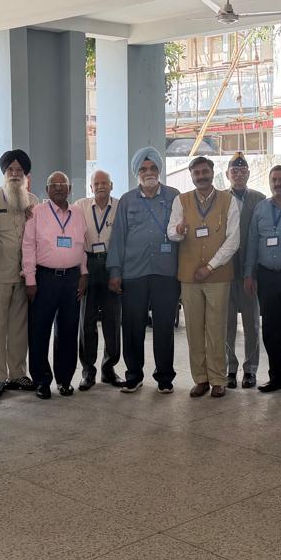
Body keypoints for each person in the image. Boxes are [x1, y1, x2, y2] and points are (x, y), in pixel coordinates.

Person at [106, 147, 180, 394]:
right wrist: (115, 272)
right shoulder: (127, 200)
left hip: (166, 273)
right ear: (136, 173)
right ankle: (134, 375)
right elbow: (118, 237)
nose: (149, 172)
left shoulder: (174, 196)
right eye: (143, 169)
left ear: (159, 171)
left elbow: (182, 234)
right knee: (132, 326)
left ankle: (165, 377)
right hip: (133, 272)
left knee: (164, 326)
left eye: (153, 168)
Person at [169, 156, 241, 397]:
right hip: (189, 276)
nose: (201, 176)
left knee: (217, 328)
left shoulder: (228, 201)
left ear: (212, 172)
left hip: (218, 276)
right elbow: (171, 232)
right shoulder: (181, 200)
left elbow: (233, 240)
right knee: (194, 329)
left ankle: (218, 379)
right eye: (196, 173)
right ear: (191, 176)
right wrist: (178, 231)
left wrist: (210, 267)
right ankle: (200, 379)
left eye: (204, 172)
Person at [23, 172, 88, 398]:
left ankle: (64, 379)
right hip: (44, 278)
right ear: (47, 189)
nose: (59, 188)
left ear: (69, 189)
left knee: (69, 330)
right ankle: (41, 380)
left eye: (63, 184)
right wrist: (30, 280)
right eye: (54, 184)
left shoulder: (78, 213)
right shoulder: (36, 212)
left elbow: (82, 246)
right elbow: (28, 246)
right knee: (39, 331)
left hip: (72, 279)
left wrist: (84, 272)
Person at [243, 165, 281, 395]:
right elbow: (252, 242)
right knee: (270, 330)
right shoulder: (261, 208)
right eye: (274, 180)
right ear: (270, 183)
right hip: (266, 276)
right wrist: (249, 274)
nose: (278, 183)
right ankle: (278, 377)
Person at [0, 149, 38, 393]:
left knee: (19, 326)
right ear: (4, 173)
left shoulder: (33, 200)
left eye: (19, 170)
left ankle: (17, 373)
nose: (15, 174)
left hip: (24, 274)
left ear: (26, 174)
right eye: (10, 170)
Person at [74, 170, 122, 390]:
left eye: (105, 183)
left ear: (111, 186)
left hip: (112, 264)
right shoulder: (80, 206)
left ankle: (109, 369)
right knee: (87, 321)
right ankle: (88, 371)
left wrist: (118, 272)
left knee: (113, 320)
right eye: (97, 183)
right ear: (91, 187)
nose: (101, 186)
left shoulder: (120, 206)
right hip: (88, 264)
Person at [223, 152, 265, 389]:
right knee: (227, 323)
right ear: (227, 174)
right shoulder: (220, 198)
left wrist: (254, 271)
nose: (238, 174)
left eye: (242, 170)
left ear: (248, 173)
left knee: (251, 323)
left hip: (250, 271)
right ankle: (230, 368)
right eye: (234, 171)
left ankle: (250, 369)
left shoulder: (259, 199)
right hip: (226, 270)